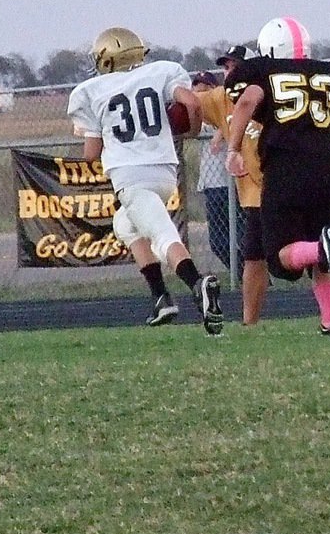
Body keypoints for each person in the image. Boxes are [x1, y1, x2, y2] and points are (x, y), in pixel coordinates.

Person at [66, 26, 223, 334]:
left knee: (163, 237)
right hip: (164, 171)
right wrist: (188, 132)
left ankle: (197, 283)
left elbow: (91, 155)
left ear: (106, 59)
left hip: (130, 177)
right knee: (124, 225)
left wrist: (96, 135)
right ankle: (161, 298)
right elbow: (192, 104)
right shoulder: (162, 72)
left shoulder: (92, 91)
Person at [224, 17, 330, 335]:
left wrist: (233, 150)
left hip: (286, 168)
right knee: (324, 253)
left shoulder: (262, 72)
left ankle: (319, 250)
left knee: (278, 258)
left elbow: (247, 100)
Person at [193, 46, 271, 326]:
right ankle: (249, 324)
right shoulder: (221, 99)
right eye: (226, 68)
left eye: (235, 67)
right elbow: (190, 104)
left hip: (284, 186)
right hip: (253, 196)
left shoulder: (269, 92)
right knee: (254, 257)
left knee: (307, 258)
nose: (229, 73)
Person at [190, 69, 247, 279]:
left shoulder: (225, 114)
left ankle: (255, 276)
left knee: (243, 236)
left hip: (230, 183)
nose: (200, 97)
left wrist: (220, 133)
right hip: (211, 185)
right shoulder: (200, 118)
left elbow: (230, 120)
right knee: (218, 242)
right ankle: (243, 276)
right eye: (196, 92)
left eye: (205, 91)